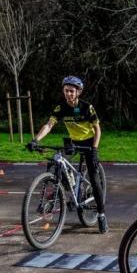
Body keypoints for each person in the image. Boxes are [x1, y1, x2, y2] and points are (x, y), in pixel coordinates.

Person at [28, 76, 108, 233]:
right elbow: (49, 125)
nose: (68, 94)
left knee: (94, 177)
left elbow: (97, 129)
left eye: (71, 91)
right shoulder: (61, 108)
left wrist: (95, 148)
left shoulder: (87, 107)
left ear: (78, 92)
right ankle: (69, 186)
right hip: (73, 141)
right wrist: (35, 139)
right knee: (56, 162)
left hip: (89, 142)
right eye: (66, 91)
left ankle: (101, 215)